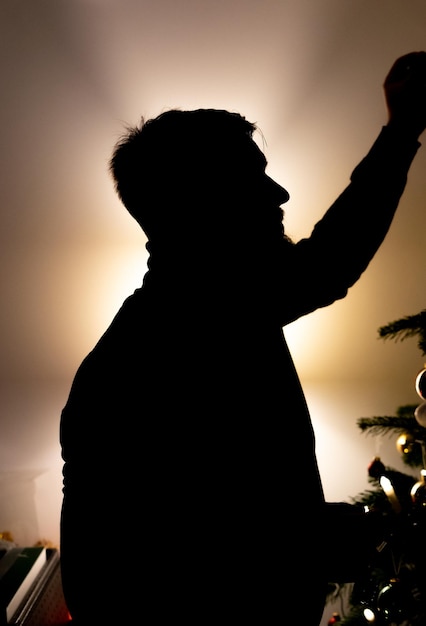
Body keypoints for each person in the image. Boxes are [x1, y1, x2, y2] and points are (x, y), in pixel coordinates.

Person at [59, 51, 426, 625]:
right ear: (202, 206)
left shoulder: (206, 313)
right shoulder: (171, 342)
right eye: (253, 179)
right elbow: (156, 565)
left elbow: (214, 515)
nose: (278, 194)